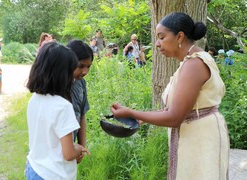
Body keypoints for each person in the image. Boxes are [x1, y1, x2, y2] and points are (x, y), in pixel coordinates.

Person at [111, 12, 229, 180]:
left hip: (200, 139)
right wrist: (141, 118)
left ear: (179, 36)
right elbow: (175, 109)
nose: (157, 44)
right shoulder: (191, 62)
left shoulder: (194, 64)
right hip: (197, 135)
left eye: (161, 37)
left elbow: (174, 117)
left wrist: (131, 113)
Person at [25, 42, 88, 179]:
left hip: (34, 168)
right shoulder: (63, 106)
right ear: (62, 74)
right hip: (54, 175)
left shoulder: (34, 100)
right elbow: (69, 154)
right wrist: (79, 148)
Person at [66, 40, 94, 163]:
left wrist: (81, 147)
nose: (85, 72)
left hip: (72, 150)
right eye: (81, 66)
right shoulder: (56, 87)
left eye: (88, 66)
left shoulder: (81, 84)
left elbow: (81, 116)